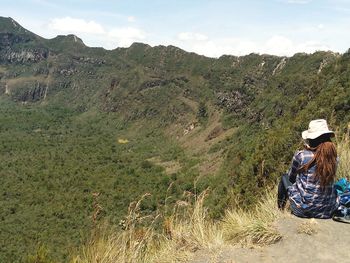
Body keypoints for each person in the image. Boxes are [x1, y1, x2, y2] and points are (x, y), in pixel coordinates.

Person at [277, 119, 339, 218]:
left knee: (284, 178)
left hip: (303, 210)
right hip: (328, 210)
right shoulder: (334, 158)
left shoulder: (302, 155)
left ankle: (280, 210)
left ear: (311, 139)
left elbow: (291, 178)